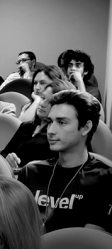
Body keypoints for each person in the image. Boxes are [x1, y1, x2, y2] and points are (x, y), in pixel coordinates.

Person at [18, 90, 112, 233]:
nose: (50, 130)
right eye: (50, 122)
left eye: (61, 122)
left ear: (86, 127)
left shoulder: (105, 178)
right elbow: (17, 229)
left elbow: (90, 241)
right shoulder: (30, 172)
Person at [2, 80, 75, 169]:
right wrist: (8, 157)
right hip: (15, 175)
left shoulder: (61, 131)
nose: (42, 104)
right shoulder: (26, 126)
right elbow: (4, 152)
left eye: (50, 102)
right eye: (43, 98)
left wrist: (43, 164)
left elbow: (69, 161)